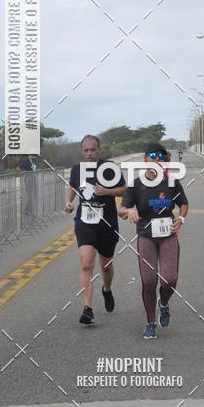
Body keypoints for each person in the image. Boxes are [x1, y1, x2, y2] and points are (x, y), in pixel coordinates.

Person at [119, 142, 189, 340]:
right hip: (146, 236)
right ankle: (150, 322)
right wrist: (129, 210)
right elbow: (121, 210)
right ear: (145, 160)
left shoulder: (172, 182)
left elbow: (183, 204)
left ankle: (164, 303)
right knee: (149, 281)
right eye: (152, 155)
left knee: (170, 279)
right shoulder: (136, 184)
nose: (157, 159)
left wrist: (181, 219)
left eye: (161, 155)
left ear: (165, 160)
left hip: (168, 235)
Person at [65, 135, 126, 325]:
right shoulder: (77, 170)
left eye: (93, 149)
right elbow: (73, 186)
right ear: (82, 151)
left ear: (99, 150)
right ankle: (87, 309)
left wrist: (107, 192)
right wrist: (68, 202)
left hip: (107, 223)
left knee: (105, 264)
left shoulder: (109, 168)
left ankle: (106, 289)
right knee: (86, 264)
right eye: (86, 150)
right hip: (85, 222)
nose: (89, 153)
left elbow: (124, 189)